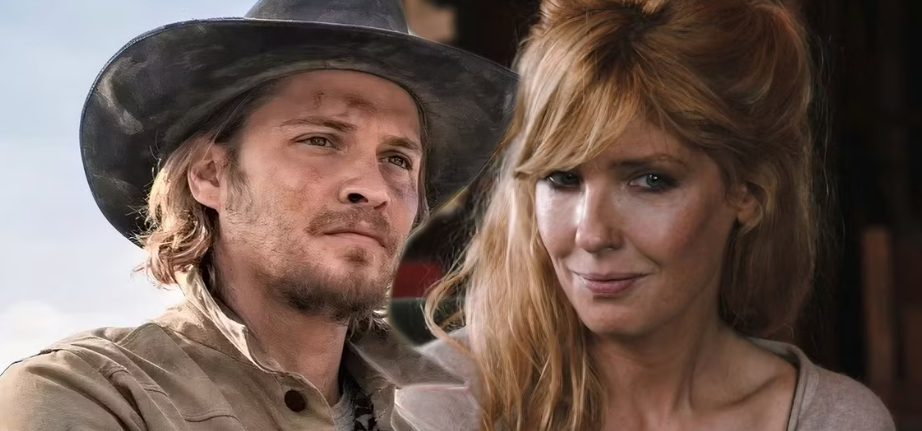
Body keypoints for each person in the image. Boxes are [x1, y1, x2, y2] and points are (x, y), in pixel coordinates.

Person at [0, 0, 516, 430]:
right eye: (320, 140)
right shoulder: (94, 394)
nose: (373, 188)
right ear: (210, 174)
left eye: (398, 160)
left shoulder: (443, 417)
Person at [397, 0, 897, 430]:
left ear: (747, 191)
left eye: (650, 180)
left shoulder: (834, 420)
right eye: (563, 178)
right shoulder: (438, 407)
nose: (592, 233)